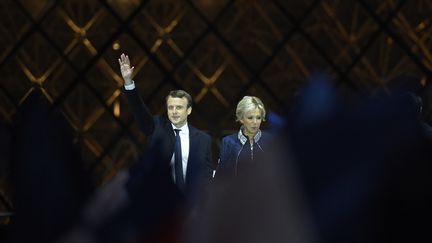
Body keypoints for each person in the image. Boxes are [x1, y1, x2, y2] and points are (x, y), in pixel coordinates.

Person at [118, 53, 214, 203]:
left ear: (188, 110)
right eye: (171, 107)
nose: (174, 111)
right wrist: (128, 81)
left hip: (190, 206)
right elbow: (139, 111)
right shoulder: (157, 126)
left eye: (179, 107)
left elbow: (207, 176)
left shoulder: (203, 139)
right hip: (159, 203)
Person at [215, 96, 272, 178]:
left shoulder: (270, 141)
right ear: (241, 119)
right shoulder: (228, 142)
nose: (255, 122)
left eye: (258, 118)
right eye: (250, 118)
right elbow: (221, 175)